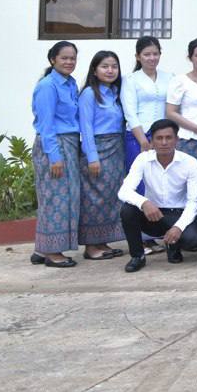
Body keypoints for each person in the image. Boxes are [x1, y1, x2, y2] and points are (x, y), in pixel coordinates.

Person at [118, 119, 197, 272]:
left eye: (168, 137)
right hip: (153, 214)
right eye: (159, 138)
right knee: (128, 210)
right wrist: (144, 203)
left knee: (193, 242)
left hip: (178, 213)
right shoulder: (143, 159)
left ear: (176, 139)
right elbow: (124, 191)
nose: (164, 142)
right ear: (152, 141)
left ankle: (173, 245)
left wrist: (178, 227)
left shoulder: (190, 163)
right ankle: (137, 256)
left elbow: (193, 202)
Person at [30, 41, 82, 268]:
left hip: (68, 143)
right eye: (64, 58)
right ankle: (52, 252)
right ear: (53, 60)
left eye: (72, 58)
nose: (69, 62)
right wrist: (54, 156)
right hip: (53, 146)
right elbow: (46, 124)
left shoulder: (70, 83)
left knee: (65, 198)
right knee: (54, 198)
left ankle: (41, 249)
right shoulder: (47, 86)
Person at [76, 50, 125, 260]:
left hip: (116, 150)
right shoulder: (89, 94)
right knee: (93, 198)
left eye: (114, 66)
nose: (110, 70)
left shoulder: (115, 93)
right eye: (105, 66)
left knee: (109, 197)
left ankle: (102, 242)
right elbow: (85, 127)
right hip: (98, 148)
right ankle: (91, 246)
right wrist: (92, 157)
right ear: (94, 70)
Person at [119, 36, 172, 168]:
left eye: (155, 54)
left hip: (163, 136)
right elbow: (130, 113)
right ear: (138, 56)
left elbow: (172, 108)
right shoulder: (130, 79)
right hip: (137, 136)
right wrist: (143, 141)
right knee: (138, 175)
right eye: (147, 54)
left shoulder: (170, 77)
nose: (152, 58)